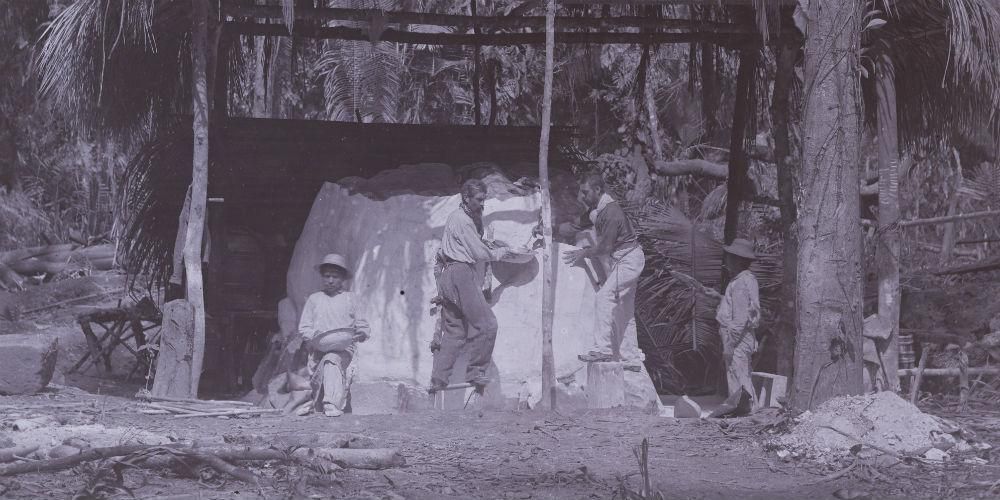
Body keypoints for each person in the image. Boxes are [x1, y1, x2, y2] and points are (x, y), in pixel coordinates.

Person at [430, 179, 511, 395]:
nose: (482, 203)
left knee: (455, 334)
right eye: (479, 199)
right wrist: (499, 254)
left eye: (484, 199)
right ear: (466, 198)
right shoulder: (463, 220)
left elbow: (471, 245)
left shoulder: (457, 218)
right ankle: (476, 372)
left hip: (447, 276)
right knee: (487, 324)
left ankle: (438, 381)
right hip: (460, 274)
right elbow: (478, 253)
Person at [562, 172, 645, 369]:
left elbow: (605, 248)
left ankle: (603, 349)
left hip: (629, 260)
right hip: (623, 260)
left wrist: (585, 252)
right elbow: (578, 223)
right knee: (624, 311)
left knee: (604, 297)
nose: (582, 196)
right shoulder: (598, 210)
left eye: (586, 192)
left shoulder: (611, 213)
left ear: (598, 190)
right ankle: (631, 359)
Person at [290, 253, 370, 417]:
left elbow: (362, 326)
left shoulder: (351, 298)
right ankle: (315, 404)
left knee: (332, 359)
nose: (331, 280)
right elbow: (304, 327)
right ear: (322, 277)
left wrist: (361, 334)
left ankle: (331, 404)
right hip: (318, 351)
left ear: (343, 279)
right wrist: (316, 336)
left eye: (335, 276)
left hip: (344, 350)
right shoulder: (314, 299)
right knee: (323, 364)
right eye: (327, 276)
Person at [704, 239, 761, 406]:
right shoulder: (743, 280)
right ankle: (745, 412)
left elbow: (740, 319)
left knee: (739, 377)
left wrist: (730, 343)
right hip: (740, 337)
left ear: (738, 259)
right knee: (740, 375)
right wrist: (718, 297)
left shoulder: (742, 282)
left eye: (730, 257)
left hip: (738, 338)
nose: (727, 261)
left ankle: (746, 414)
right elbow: (740, 307)